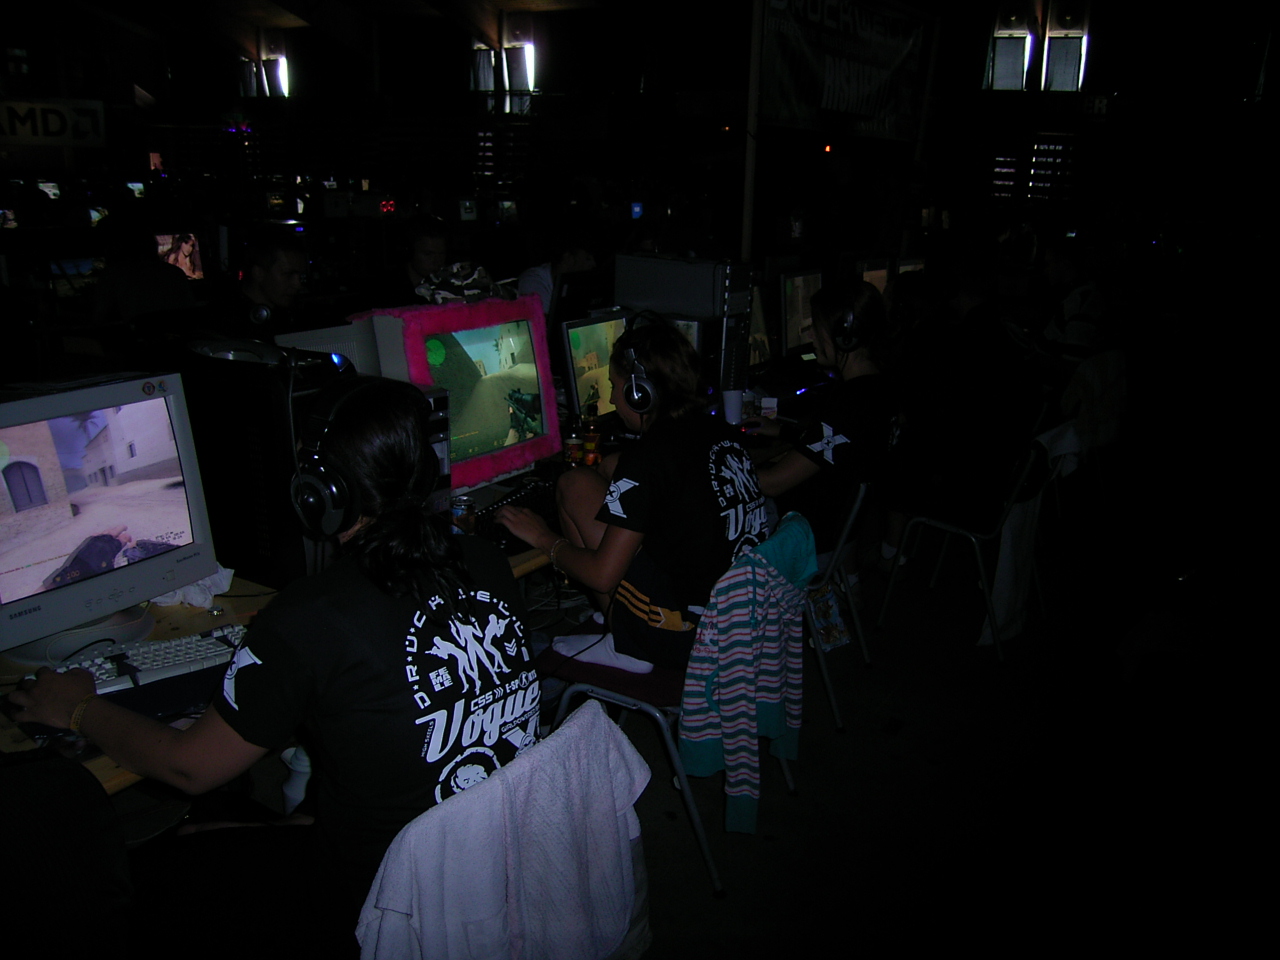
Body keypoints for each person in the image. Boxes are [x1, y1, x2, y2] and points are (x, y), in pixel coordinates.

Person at [9, 377, 539, 947]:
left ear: (320, 493)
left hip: (387, 901)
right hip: (488, 864)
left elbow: (190, 769)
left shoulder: (311, 616)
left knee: (167, 859)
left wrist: (78, 708)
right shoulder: (484, 560)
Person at [496, 322, 768, 671]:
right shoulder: (719, 430)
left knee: (573, 485)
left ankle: (629, 644)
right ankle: (625, 619)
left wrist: (542, 537)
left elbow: (601, 576)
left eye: (615, 387)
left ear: (640, 394)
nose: (611, 399)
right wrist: (617, 469)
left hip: (690, 638)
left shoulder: (648, 457)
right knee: (601, 474)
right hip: (739, 621)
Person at [746, 281, 901, 555]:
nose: (811, 336)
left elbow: (773, 483)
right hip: (843, 529)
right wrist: (782, 431)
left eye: (816, 328)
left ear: (845, 337)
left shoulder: (850, 404)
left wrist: (715, 464)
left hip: (808, 533)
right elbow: (840, 444)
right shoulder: (879, 387)